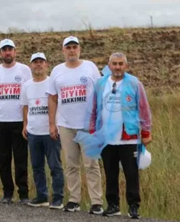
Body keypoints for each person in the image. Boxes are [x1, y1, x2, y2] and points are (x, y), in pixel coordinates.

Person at [79, 53, 152, 219]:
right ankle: (113, 205)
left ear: (126, 66)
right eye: (114, 64)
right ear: (109, 65)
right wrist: (92, 129)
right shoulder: (101, 83)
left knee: (131, 173)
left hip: (129, 137)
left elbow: (144, 109)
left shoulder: (134, 83)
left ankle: (133, 206)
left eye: (121, 64)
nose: (117, 67)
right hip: (106, 138)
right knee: (110, 173)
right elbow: (94, 107)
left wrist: (146, 132)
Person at [47, 36, 104, 214]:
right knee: (71, 164)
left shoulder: (90, 67)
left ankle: (96, 202)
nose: (72, 50)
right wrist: (52, 124)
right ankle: (74, 200)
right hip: (65, 124)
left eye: (74, 47)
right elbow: (52, 98)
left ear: (79, 49)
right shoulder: (57, 71)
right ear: (63, 50)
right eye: (68, 47)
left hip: (88, 125)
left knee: (91, 164)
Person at [0, 39, 31, 204]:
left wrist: (28, 121)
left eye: (10, 49)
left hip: (19, 121)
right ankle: (8, 192)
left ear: (15, 52)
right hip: (0, 121)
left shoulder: (24, 70)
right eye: (4, 50)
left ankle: (24, 193)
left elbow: (30, 94)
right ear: (0, 54)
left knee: (21, 159)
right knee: (3, 159)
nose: (7, 53)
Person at [21, 53, 64, 209]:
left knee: (55, 166)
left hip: (50, 132)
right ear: (31, 65)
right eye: (35, 62)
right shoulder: (26, 85)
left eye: (41, 62)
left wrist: (55, 125)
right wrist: (24, 125)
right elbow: (26, 106)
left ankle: (58, 198)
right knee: (37, 166)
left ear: (46, 64)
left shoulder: (53, 83)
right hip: (33, 133)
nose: (38, 65)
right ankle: (42, 196)